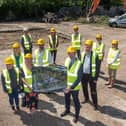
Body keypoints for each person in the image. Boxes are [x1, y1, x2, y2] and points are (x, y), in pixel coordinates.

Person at [60, 46, 82, 123]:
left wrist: (71, 87)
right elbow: (64, 72)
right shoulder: (67, 60)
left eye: (70, 53)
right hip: (66, 85)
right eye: (68, 53)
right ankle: (67, 110)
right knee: (66, 99)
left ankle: (76, 116)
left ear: (74, 53)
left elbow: (79, 78)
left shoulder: (79, 63)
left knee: (76, 101)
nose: (69, 54)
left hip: (74, 88)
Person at [81, 39, 99, 110]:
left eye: (89, 47)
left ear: (91, 47)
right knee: (84, 88)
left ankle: (95, 104)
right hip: (84, 75)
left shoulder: (95, 55)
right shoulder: (82, 54)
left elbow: (97, 68)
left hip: (92, 76)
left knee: (93, 91)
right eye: (86, 46)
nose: (87, 48)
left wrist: (96, 78)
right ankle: (86, 98)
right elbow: (80, 65)